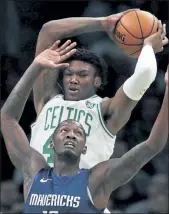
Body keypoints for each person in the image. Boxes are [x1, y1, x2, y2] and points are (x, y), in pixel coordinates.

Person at [1, 46, 168, 212]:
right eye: (64, 130)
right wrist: (35, 66)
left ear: (85, 148)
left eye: (78, 133)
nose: (71, 135)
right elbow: (6, 118)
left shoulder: (95, 180)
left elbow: (152, 145)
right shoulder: (34, 170)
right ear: (52, 143)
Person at [30, 11, 168, 170]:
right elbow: (48, 31)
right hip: (37, 193)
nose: (73, 79)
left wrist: (148, 47)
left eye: (82, 75)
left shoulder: (106, 110)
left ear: (97, 81)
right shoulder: (46, 101)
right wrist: (103, 22)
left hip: (81, 192)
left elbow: (144, 75)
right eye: (69, 74)